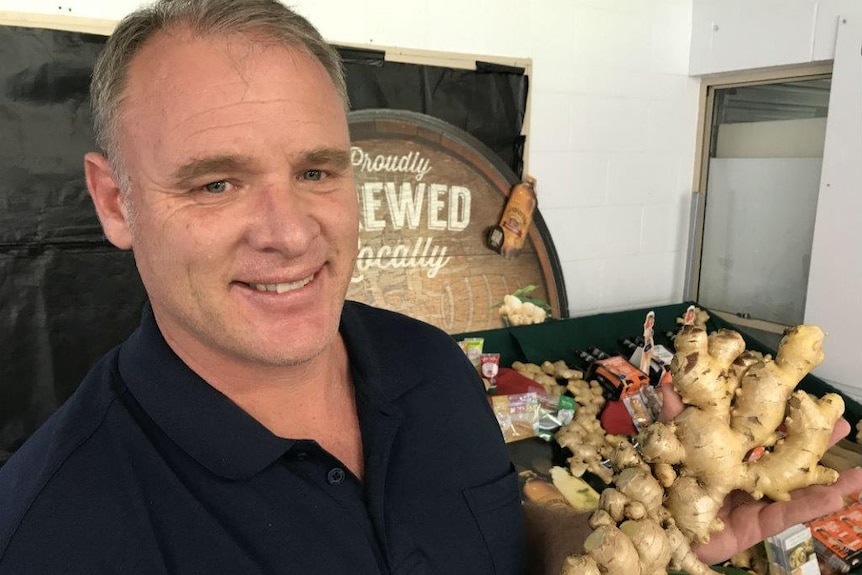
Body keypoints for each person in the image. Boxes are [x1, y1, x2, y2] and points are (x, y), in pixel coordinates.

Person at [1, 1, 861, 574]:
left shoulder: (427, 360)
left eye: (316, 170)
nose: (291, 231)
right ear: (116, 200)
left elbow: (500, 535)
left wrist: (630, 545)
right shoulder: (51, 533)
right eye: (216, 183)